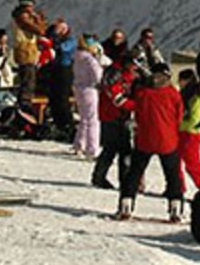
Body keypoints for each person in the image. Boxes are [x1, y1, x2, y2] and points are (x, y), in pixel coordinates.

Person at [114, 62, 184, 222]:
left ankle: (126, 203)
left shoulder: (143, 93)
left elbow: (132, 107)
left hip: (145, 139)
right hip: (168, 140)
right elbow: (179, 118)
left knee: (134, 173)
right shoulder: (173, 94)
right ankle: (175, 208)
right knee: (172, 175)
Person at [91, 52, 143, 189]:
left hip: (119, 115)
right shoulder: (113, 74)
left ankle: (101, 177)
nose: (135, 68)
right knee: (118, 149)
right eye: (134, 65)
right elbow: (117, 99)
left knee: (115, 149)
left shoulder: (127, 74)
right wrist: (139, 106)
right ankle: (120, 180)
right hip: (112, 115)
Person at [176, 69, 200, 192]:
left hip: (190, 134)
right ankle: (177, 187)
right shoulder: (186, 94)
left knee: (192, 164)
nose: (179, 83)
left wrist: (179, 121)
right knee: (175, 162)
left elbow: (195, 119)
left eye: (181, 80)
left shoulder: (196, 96)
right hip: (182, 132)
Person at [72, 34, 104, 159]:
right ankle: (92, 149)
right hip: (90, 89)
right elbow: (98, 76)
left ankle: (79, 144)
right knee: (93, 119)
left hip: (78, 87)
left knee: (84, 118)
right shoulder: (90, 60)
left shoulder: (78, 57)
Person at [10, 0, 46, 100]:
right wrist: (38, 20)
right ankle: (25, 103)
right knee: (28, 81)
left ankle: (26, 102)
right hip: (25, 52)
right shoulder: (22, 17)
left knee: (29, 79)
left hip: (29, 52)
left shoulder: (25, 17)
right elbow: (40, 31)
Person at [47, 19, 77, 136]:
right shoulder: (57, 40)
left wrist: (54, 42)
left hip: (66, 69)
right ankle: (58, 122)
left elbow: (63, 49)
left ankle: (67, 123)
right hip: (55, 69)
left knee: (63, 98)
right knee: (54, 97)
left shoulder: (71, 41)